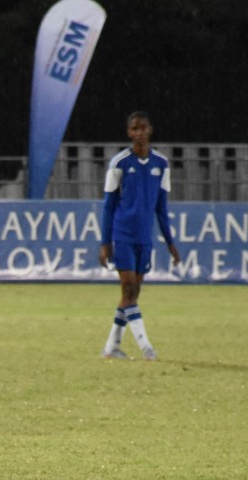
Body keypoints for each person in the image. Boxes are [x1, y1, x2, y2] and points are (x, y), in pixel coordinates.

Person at [99, 111, 181, 361]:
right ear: (128, 133)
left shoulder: (161, 163)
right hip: (123, 234)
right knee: (128, 288)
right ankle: (146, 347)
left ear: (150, 130)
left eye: (142, 128)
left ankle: (111, 347)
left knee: (131, 295)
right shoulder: (120, 163)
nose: (138, 133)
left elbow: (161, 208)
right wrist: (106, 242)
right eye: (134, 129)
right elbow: (108, 205)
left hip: (145, 238)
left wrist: (170, 242)